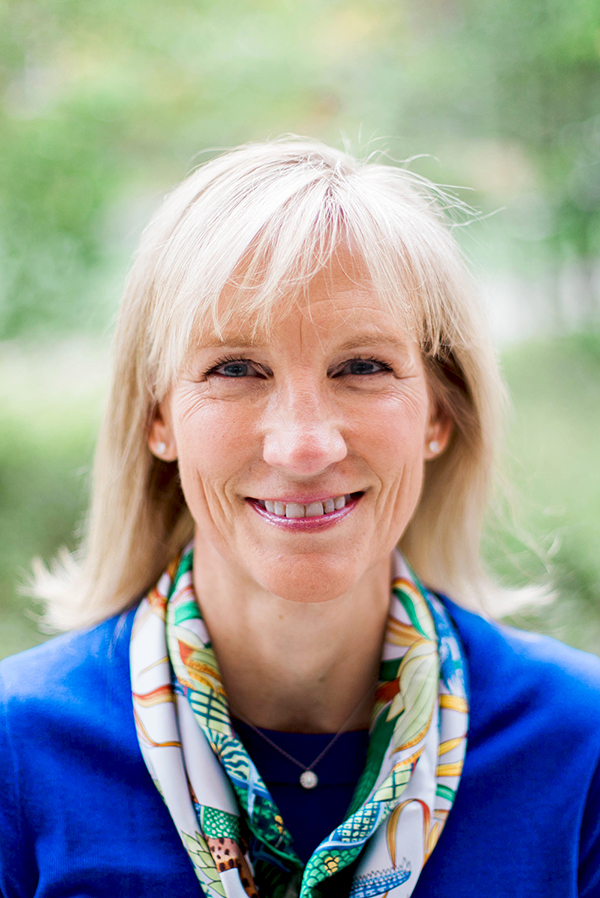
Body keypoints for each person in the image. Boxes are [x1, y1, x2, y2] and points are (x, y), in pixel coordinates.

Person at [0, 139, 599, 898]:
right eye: (235, 370)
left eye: (363, 367)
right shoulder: (19, 749)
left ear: (438, 414)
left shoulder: (579, 748)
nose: (305, 445)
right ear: (159, 418)